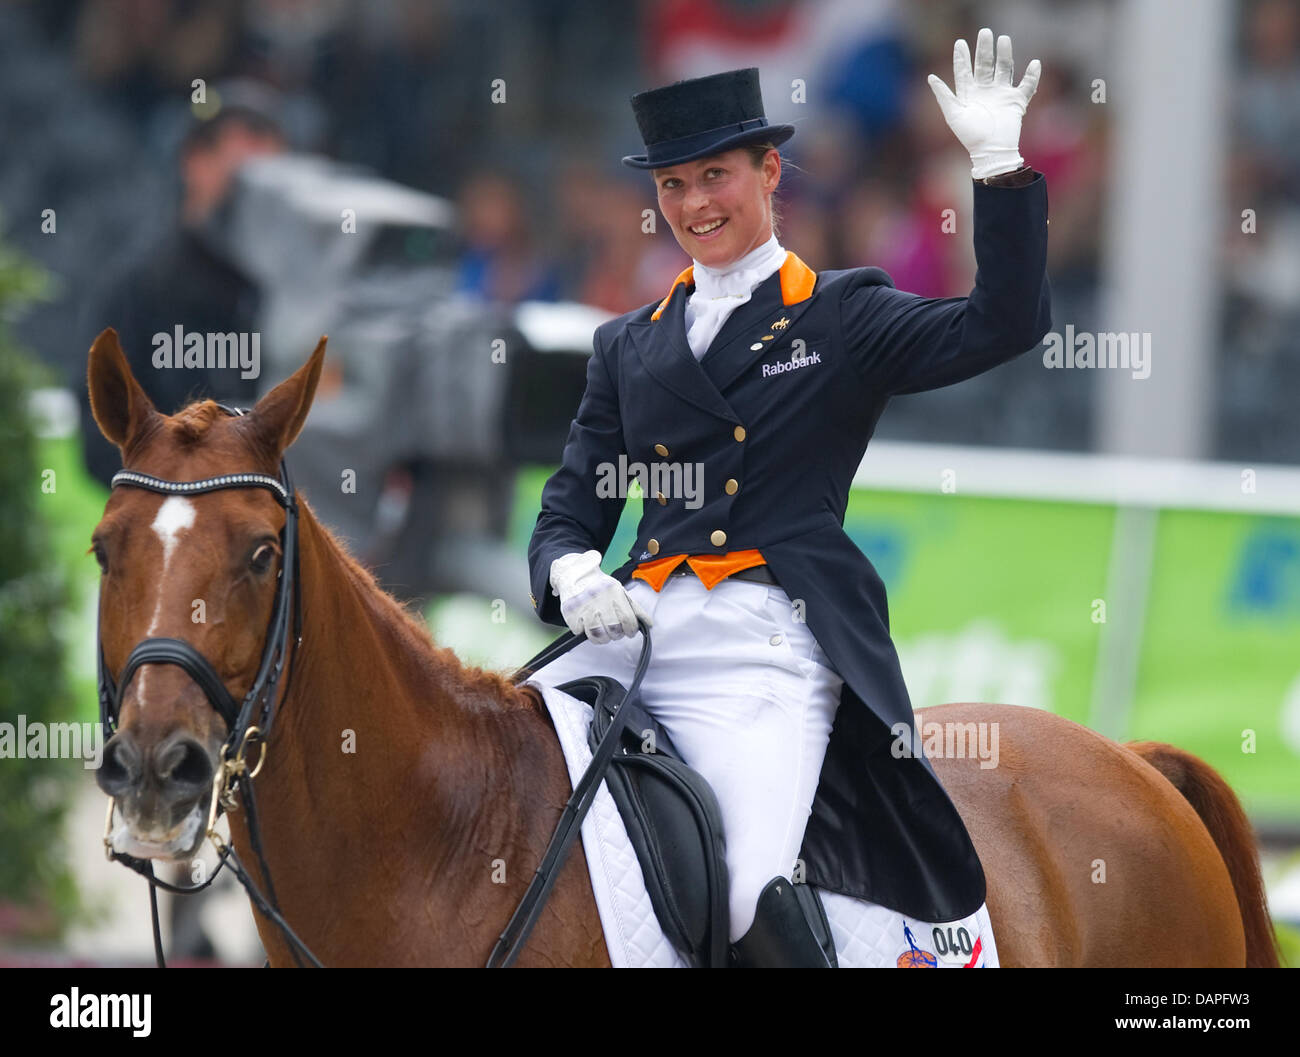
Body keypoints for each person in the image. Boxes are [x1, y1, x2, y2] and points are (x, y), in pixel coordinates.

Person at [526, 32, 1050, 967]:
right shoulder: (627, 346)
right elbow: (572, 509)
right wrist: (570, 570)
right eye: (673, 186)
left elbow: (1000, 324)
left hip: (766, 643)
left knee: (745, 891)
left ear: (771, 173)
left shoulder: (841, 314)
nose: (694, 205)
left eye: (714, 176)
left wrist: (999, 170)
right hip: (635, 631)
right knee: (477, 780)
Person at [77, 84, 286, 488]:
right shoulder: (141, 288)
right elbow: (100, 435)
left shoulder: (294, 295)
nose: (257, 202)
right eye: (243, 181)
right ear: (194, 161)